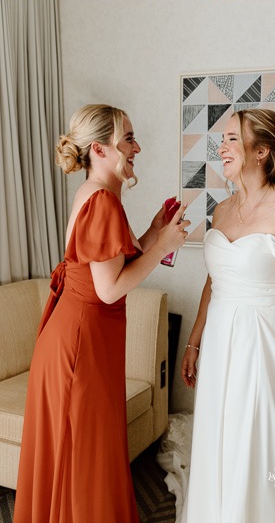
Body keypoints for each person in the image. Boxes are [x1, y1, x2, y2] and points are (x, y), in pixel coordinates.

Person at [14, 103, 188, 523]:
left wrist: (153, 233)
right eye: (128, 138)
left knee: (82, 456)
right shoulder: (103, 202)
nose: (137, 147)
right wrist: (163, 247)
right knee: (85, 459)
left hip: (81, 339)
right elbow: (109, 289)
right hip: (80, 348)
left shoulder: (97, 194)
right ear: (100, 149)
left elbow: (113, 265)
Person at [180, 111, 275, 523]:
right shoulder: (222, 209)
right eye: (221, 140)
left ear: (261, 151)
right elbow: (215, 282)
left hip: (267, 347)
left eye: (231, 139)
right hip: (221, 345)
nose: (221, 148)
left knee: (261, 442)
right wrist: (194, 341)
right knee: (220, 439)